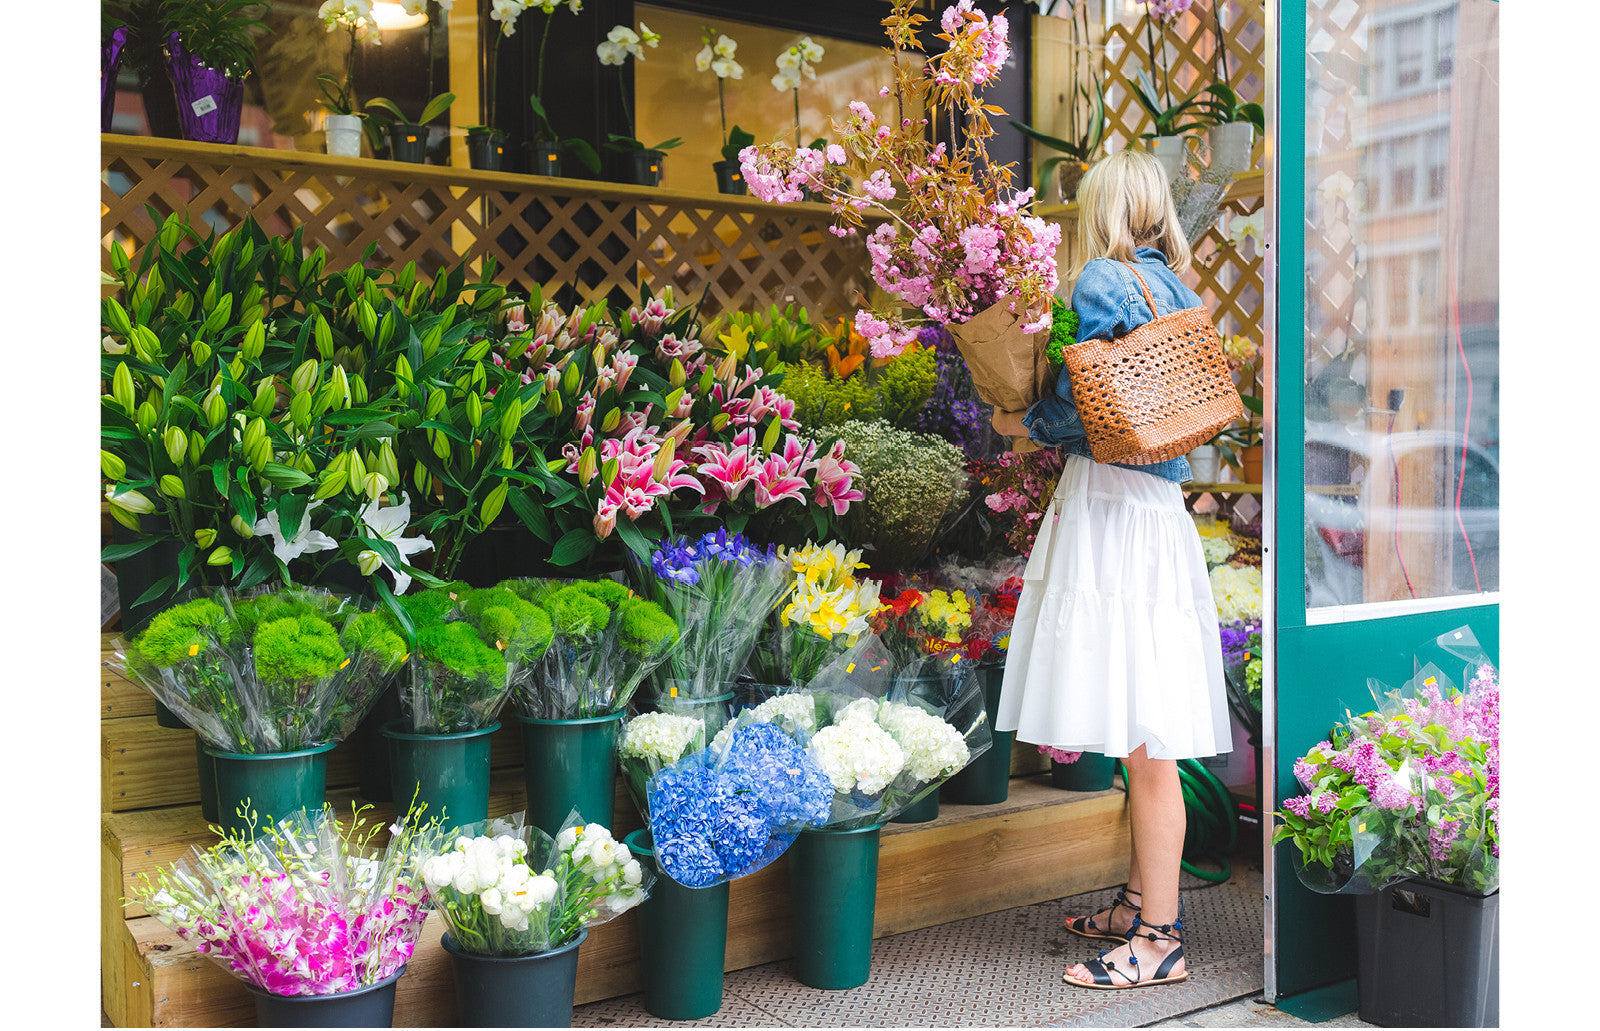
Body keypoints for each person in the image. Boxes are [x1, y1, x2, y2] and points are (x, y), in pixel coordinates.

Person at [989, 148, 1231, 991]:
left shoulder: (1097, 280)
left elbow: (1088, 410)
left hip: (1110, 514)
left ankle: (1158, 938)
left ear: (1099, 209)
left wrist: (1024, 416)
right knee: (1143, 711)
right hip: (1159, 517)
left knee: (1147, 737)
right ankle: (1137, 900)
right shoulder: (1181, 291)